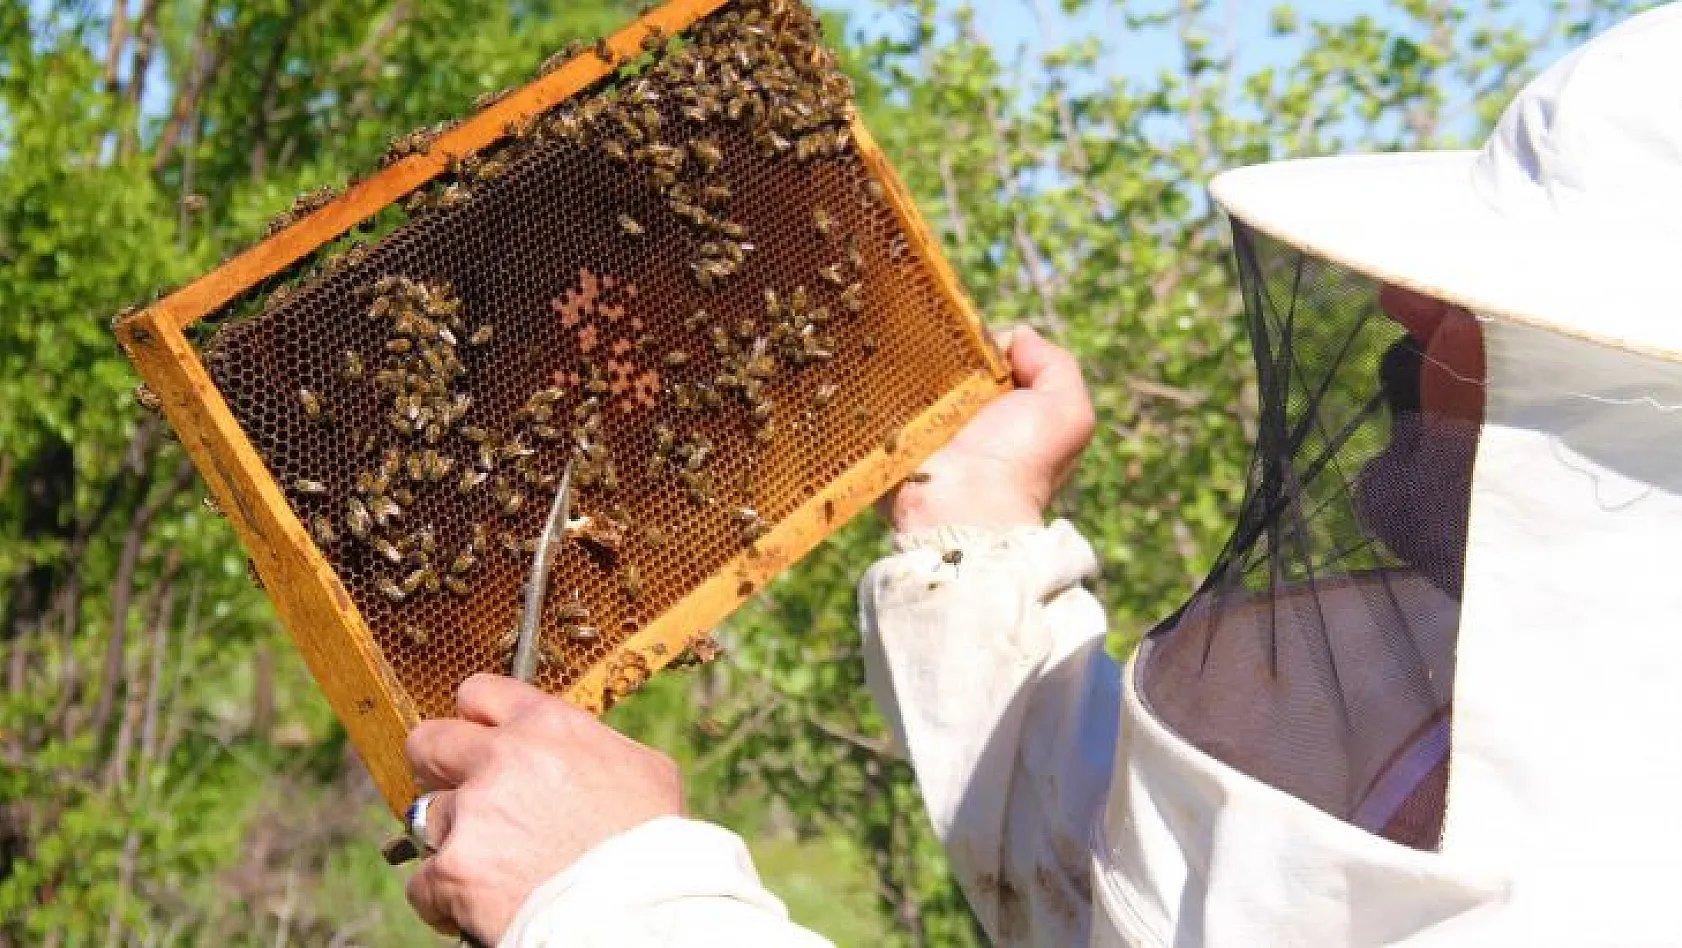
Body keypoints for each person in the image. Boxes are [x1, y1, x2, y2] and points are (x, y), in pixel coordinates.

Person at [401, 5, 1682, 945]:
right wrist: (981, 531)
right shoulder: (1481, 686)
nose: (1405, 297)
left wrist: (625, 903)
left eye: (1499, 306)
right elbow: (1151, 900)